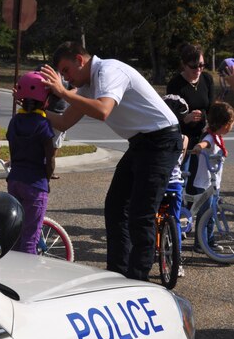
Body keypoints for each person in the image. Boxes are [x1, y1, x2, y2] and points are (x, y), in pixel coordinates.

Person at [41, 41, 182, 282]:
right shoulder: (87, 86)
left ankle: (138, 279)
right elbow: (64, 122)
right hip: (140, 143)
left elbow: (103, 110)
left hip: (161, 140)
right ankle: (118, 274)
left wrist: (63, 93)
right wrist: (34, 111)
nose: (65, 78)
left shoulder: (108, 70)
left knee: (141, 212)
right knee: (116, 207)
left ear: (79, 59)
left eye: (66, 70)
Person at [6, 71, 56, 254]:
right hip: (35, 183)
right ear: (46, 100)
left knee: (17, 231)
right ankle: (26, 278)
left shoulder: (14, 122)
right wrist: (47, 179)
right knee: (31, 235)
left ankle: (13, 270)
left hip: (15, 180)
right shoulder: (44, 125)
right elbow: (50, 159)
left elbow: (13, 151)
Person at [166, 44, 214, 195]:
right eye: (194, 67)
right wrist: (185, 118)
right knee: (181, 176)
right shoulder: (175, 84)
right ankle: (179, 210)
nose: (198, 70)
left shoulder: (206, 79)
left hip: (202, 136)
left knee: (200, 180)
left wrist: (204, 117)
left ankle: (196, 213)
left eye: (201, 65)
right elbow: (170, 114)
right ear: (184, 65)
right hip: (184, 137)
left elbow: (211, 107)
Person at [191, 101, 234, 253]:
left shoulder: (216, 137)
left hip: (213, 182)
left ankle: (208, 241)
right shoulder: (209, 137)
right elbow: (204, 143)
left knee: (211, 213)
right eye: (231, 122)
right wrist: (198, 147)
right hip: (204, 183)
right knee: (205, 215)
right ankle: (200, 244)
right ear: (224, 124)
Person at [162, 94, 190, 277]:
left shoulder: (153, 136)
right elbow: (181, 160)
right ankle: (177, 262)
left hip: (159, 183)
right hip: (175, 184)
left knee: (146, 218)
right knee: (175, 222)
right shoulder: (184, 138)